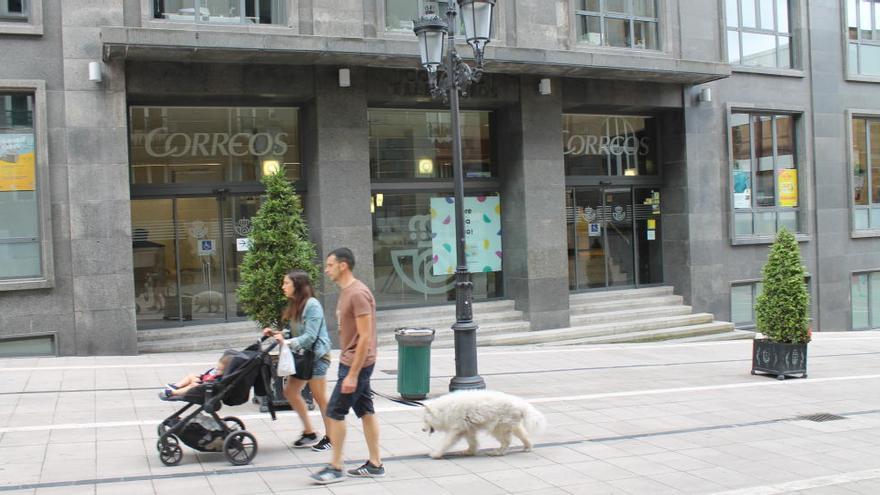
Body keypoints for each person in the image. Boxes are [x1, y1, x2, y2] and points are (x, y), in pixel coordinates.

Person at [311, 247, 384, 485]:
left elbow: (365, 337)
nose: (326, 269)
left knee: (335, 411)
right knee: (365, 410)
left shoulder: (358, 293)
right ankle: (375, 464)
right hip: (353, 361)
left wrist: (352, 374)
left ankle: (335, 467)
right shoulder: (346, 292)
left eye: (330, 265)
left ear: (343, 265)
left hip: (356, 363)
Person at [263, 270, 333, 452]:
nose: (283, 287)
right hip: (303, 357)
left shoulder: (312, 305)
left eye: (286, 283)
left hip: (317, 357)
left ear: (298, 285)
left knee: (320, 397)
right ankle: (309, 432)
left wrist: (287, 342)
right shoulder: (296, 304)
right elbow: (293, 331)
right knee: (290, 391)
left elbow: (310, 336)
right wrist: (277, 334)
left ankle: (332, 437)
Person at [159, 351, 235, 399]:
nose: (217, 370)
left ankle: (172, 393)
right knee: (191, 375)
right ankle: (176, 386)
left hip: (206, 387)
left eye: (220, 370)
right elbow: (206, 375)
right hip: (202, 382)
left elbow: (214, 383)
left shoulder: (221, 378)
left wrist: (201, 383)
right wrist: (201, 377)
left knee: (192, 385)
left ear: (226, 371)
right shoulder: (216, 371)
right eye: (217, 368)